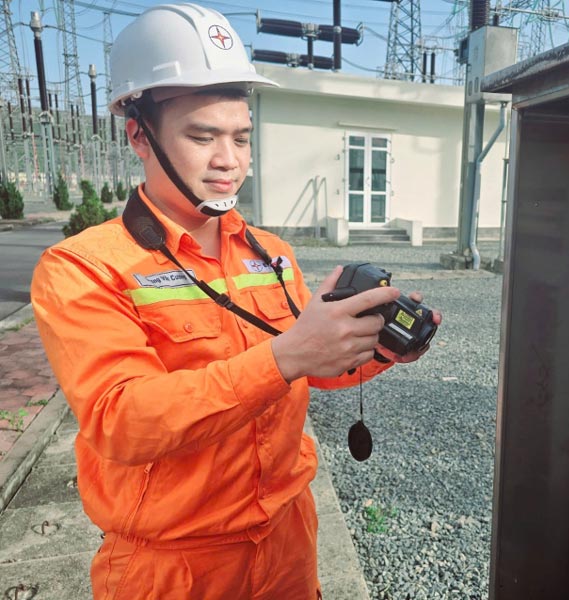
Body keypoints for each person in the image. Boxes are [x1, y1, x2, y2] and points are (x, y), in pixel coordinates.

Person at [30, 4, 440, 599]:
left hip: (288, 540)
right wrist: (286, 357)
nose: (229, 160)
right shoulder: (83, 267)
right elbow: (121, 421)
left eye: (242, 138)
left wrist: (373, 350)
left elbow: (308, 369)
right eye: (203, 136)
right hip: (174, 566)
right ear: (138, 134)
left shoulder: (269, 252)